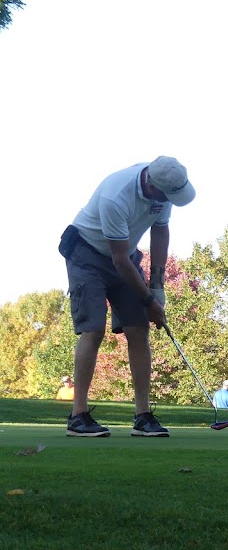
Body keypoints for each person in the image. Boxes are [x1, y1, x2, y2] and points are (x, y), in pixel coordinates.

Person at [59, 156, 196, 437]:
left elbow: (160, 231)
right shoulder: (115, 195)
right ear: (151, 184)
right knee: (93, 330)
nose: (171, 199)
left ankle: (143, 416)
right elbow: (120, 260)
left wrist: (157, 288)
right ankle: (78, 415)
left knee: (138, 329)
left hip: (124, 254)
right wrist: (148, 302)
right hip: (87, 254)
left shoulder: (165, 187)